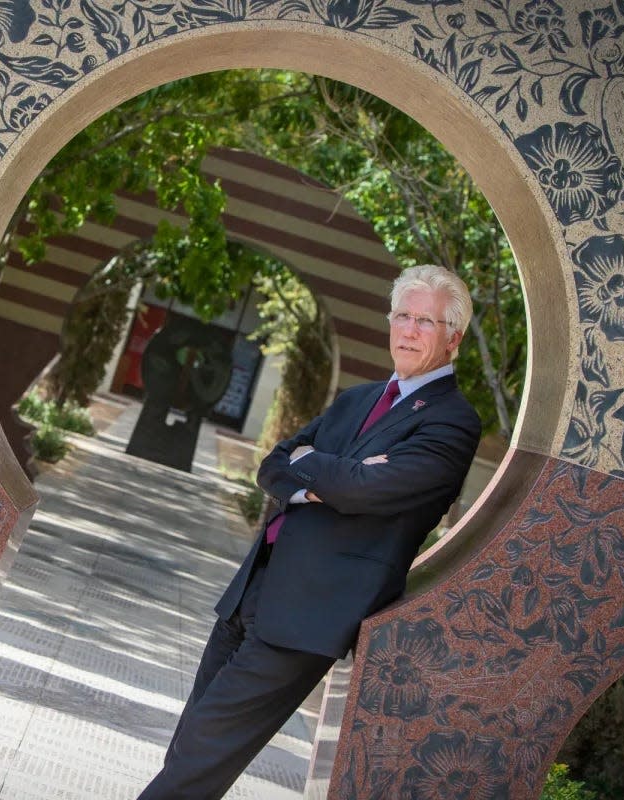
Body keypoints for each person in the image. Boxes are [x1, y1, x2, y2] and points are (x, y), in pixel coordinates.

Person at [138, 264, 482, 799]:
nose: (409, 330)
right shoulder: (358, 399)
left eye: (426, 322)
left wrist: (315, 466)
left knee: (204, 747)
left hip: (310, 614)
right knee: (190, 746)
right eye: (403, 316)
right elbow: (274, 467)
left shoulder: (452, 422)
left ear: (453, 338)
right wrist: (330, 476)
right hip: (254, 590)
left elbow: (367, 492)